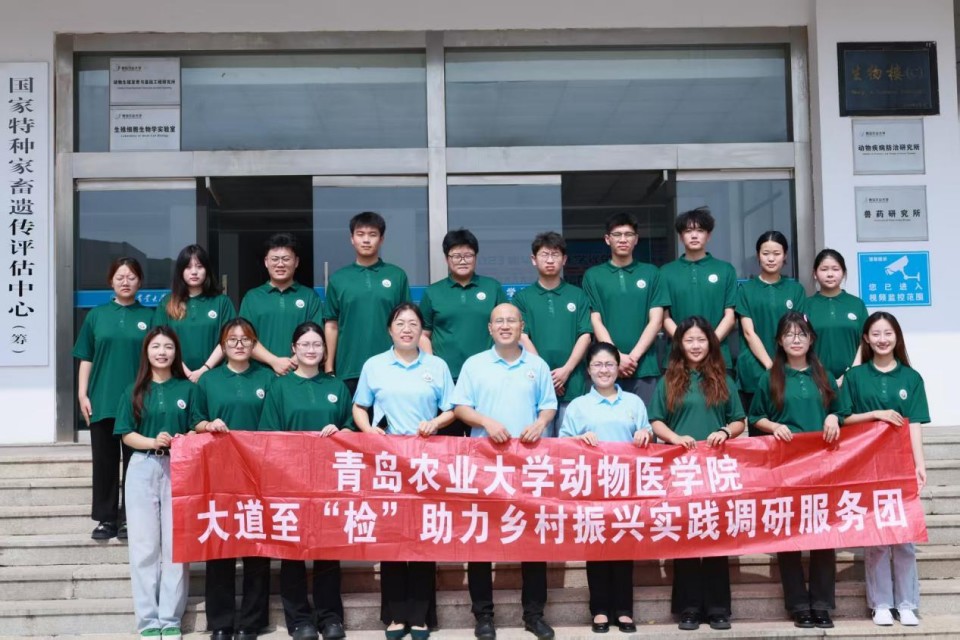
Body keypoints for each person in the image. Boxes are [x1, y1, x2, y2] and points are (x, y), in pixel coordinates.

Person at [452, 303, 558, 640]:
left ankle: (534, 615)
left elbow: (549, 405)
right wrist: (486, 421)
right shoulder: (475, 364)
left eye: (511, 320)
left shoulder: (537, 365)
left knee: (532, 539)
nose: (505, 325)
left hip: (528, 465)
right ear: (490, 327)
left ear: (521, 326)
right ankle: (483, 616)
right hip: (485, 464)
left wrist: (540, 423)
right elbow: (460, 407)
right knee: (481, 537)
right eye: (499, 321)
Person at [353, 303, 456, 640]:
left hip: (426, 463)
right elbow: (359, 406)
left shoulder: (437, 366)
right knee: (393, 537)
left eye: (413, 324)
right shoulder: (374, 365)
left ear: (421, 330)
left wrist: (436, 423)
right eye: (400, 323)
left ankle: (421, 615)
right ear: (390, 329)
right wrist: (368, 430)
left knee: (423, 536)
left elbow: (452, 409)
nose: (407, 329)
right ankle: (396, 615)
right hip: (388, 464)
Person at [748, 312, 850, 629]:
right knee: (788, 535)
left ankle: (821, 604)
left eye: (802, 334)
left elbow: (841, 411)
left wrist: (833, 417)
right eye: (789, 334)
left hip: (823, 468)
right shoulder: (770, 377)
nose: (796, 339)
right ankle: (798, 605)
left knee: (823, 535)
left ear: (811, 339)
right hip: (785, 468)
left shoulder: (824, 375)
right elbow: (755, 417)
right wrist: (773, 426)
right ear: (779, 341)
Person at [647, 317, 745, 631]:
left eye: (701, 340)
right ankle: (688, 608)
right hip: (681, 470)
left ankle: (717, 609)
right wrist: (674, 438)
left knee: (715, 535)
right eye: (689, 340)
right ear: (679, 344)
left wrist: (725, 432)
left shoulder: (723, 379)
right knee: (686, 537)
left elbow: (739, 420)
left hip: (715, 469)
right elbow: (656, 420)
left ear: (710, 343)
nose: (695, 345)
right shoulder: (669, 380)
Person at [258, 322, 353, 640]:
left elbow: (351, 425)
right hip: (290, 479)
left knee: (327, 549)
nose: (311, 350)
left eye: (317, 344)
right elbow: (269, 434)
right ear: (294, 349)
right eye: (305, 344)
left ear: (325, 350)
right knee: (293, 551)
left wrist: (341, 432)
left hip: (329, 480)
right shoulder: (279, 387)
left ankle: (330, 618)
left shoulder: (336, 386)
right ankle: (299, 619)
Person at [840, 312, 929, 627]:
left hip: (900, 465)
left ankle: (906, 603)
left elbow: (914, 423)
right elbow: (843, 417)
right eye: (875, 334)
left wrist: (919, 464)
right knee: (876, 536)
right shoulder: (854, 377)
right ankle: (880, 603)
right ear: (866, 338)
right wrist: (876, 414)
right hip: (867, 465)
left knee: (904, 537)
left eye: (888, 333)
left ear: (897, 337)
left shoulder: (911, 378)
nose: (882, 339)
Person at [114, 326, 202, 640]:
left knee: (176, 546)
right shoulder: (134, 390)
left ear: (176, 353)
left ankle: (170, 618)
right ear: (146, 352)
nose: (162, 352)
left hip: (180, 467)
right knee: (144, 546)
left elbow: (196, 425)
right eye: (156, 347)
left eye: (168, 347)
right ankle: (148, 619)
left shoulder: (188, 389)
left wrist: (185, 437)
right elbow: (126, 434)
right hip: (143, 466)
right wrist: (153, 441)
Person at [559, 342, 651, 634]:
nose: (604, 370)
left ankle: (624, 610)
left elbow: (648, 434)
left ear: (618, 368)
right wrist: (578, 440)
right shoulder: (578, 406)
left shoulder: (633, 403)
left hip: (625, 487)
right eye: (597, 365)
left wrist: (644, 434)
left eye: (609, 364)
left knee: (624, 545)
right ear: (588, 370)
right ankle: (599, 610)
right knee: (596, 547)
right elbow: (562, 445)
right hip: (592, 488)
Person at [194, 318, 275, 640]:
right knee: (220, 544)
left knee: (256, 545)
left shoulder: (268, 378)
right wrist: (208, 425)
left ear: (255, 344)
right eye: (232, 340)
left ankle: (252, 622)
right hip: (219, 473)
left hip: (259, 472)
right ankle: (221, 622)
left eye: (245, 339)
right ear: (222, 345)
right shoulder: (209, 380)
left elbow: (276, 423)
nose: (239, 345)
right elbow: (195, 419)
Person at [73, 257, 153, 541]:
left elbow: (160, 357)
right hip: (103, 398)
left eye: (131, 277)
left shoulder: (151, 316)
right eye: (120, 277)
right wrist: (82, 393)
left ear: (140, 282)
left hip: (138, 400)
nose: (125, 282)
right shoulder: (97, 315)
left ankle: (130, 518)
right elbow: (86, 357)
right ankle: (106, 519)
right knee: (104, 462)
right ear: (111, 281)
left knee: (136, 462)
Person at [419, 228, 506, 436]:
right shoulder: (433, 292)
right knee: (448, 443)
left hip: (486, 377)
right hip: (448, 380)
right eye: (456, 256)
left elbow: (507, 329)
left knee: (486, 440)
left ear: (476, 257)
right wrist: (434, 367)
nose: (462, 260)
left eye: (468, 255)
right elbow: (423, 335)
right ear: (446, 258)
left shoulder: (492, 287)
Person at [582, 212, 668, 404]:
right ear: (607, 239)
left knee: (646, 422)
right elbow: (595, 319)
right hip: (606, 367)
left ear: (636, 239)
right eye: (617, 234)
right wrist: (617, 358)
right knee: (607, 422)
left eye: (628, 234)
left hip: (644, 367)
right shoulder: (593, 276)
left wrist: (633, 357)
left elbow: (656, 321)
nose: (623, 239)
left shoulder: (651, 273)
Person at [324, 211, 411, 395]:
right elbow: (331, 325)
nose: (366, 240)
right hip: (349, 368)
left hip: (392, 366)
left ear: (381, 239)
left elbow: (407, 323)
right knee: (351, 415)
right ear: (352, 239)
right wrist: (329, 366)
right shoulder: (338, 278)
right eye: (360, 234)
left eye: (372, 235)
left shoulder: (396, 276)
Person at [514, 232, 592, 435]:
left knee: (571, 445)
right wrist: (545, 376)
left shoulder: (578, 295)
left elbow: (585, 335)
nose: (550, 260)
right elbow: (522, 336)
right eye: (544, 254)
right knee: (539, 447)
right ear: (534, 259)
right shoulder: (522, 298)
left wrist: (566, 370)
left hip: (572, 384)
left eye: (555, 255)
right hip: (536, 387)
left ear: (564, 259)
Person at [736, 231, 806, 433]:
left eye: (776, 253)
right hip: (756, 369)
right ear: (758, 255)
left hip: (790, 369)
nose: (771, 258)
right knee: (758, 430)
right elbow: (748, 332)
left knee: (790, 429)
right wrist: (770, 366)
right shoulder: (746, 290)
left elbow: (799, 331)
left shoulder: (796, 290)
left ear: (785, 256)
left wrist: (785, 365)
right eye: (766, 253)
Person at [659, 207, 738, 369]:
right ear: (681, 236)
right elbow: (665, 317)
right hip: (678, 358)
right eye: (688, 231)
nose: (694, 235)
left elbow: (730, 317)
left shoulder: (725, 270)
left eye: (700, 230)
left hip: (717, 357)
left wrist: (708, 344)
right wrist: (686, 344)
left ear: (708, 236)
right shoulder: (665, 272)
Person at [239, 233, 323, 376]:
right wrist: (274, 361)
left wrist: (293, 361)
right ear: (266, 262)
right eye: (275, 259)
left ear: (296, 262)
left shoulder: (309, 296)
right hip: (260, 375)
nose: (280, 264)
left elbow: (317, 336)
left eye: (286, 259)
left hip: (301, 374)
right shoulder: (252, 297)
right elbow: (245, 337)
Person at [153, 244, 236, 382]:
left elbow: (228, 339)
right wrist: (185, 371)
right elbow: (160, 340)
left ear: (207, 270)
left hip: (214, 377)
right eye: (188, 267)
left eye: (199, 266)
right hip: (177, 377)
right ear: (180, 271)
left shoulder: (221, 302)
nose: (194, 272)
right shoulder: (167, 302)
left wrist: (204, 369)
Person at [805, 249, 868, 383]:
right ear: (815, 273)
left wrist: (851, 373)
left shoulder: (856, 304)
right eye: (824, 269)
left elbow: (865, 341)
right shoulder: (806, 305)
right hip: (815, 380)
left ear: (843, 273)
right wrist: (821, 375)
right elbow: (801, 344)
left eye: (835, 269)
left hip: (853, 380)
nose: (830, 274)